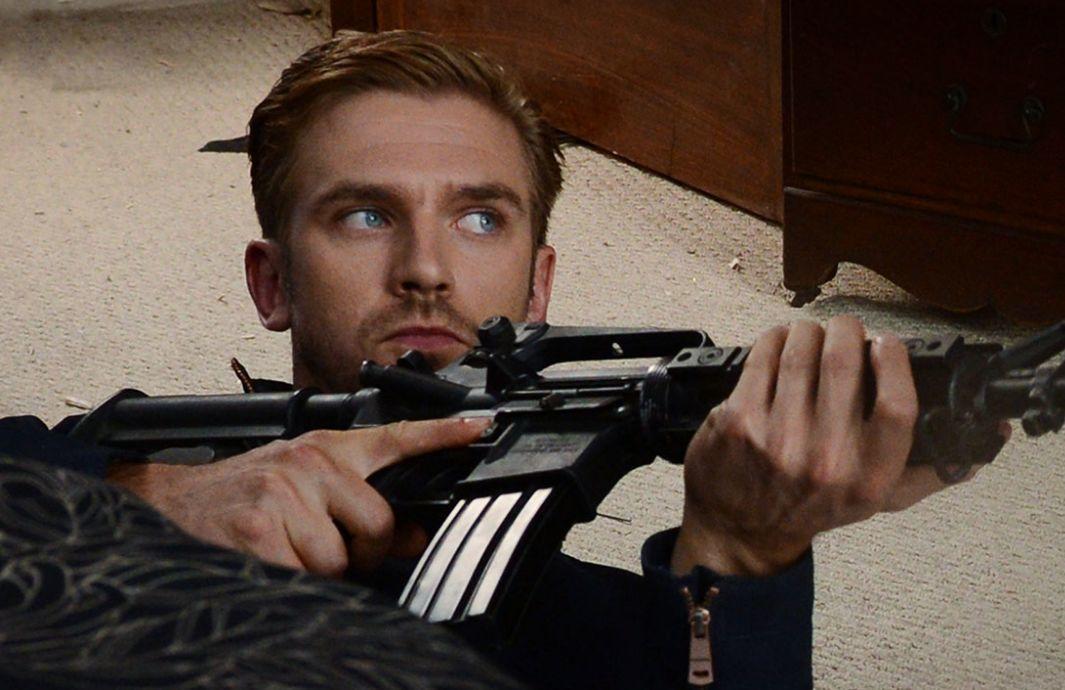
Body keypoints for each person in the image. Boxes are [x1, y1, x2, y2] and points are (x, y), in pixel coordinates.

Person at [3, 30, 991, 689]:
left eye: (481, 218)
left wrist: (737, 560)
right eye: (364, 215)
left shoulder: (588, 635)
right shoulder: (130, 470)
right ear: (273, 284)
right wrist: (138, 505)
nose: (426, 269)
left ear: (539, 284)